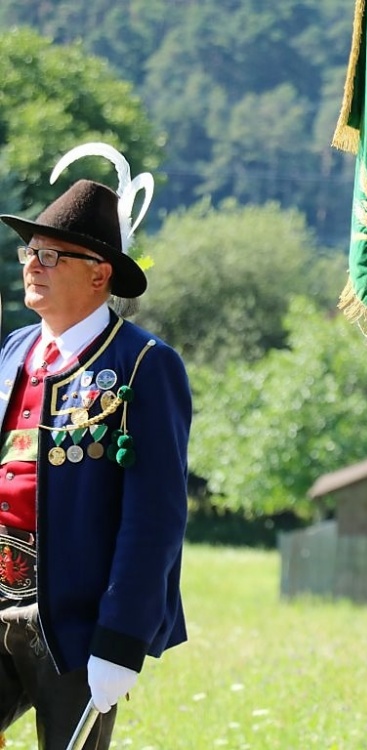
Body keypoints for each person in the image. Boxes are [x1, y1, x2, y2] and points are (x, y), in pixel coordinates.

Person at [0, 157, 191, 749]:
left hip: (80, 624)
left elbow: (154, 518)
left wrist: (122, 639)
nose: (34, 264)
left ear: (99, 274)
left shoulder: (141, 363)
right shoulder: (14, 350)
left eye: (52, 255)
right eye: (31, 251)